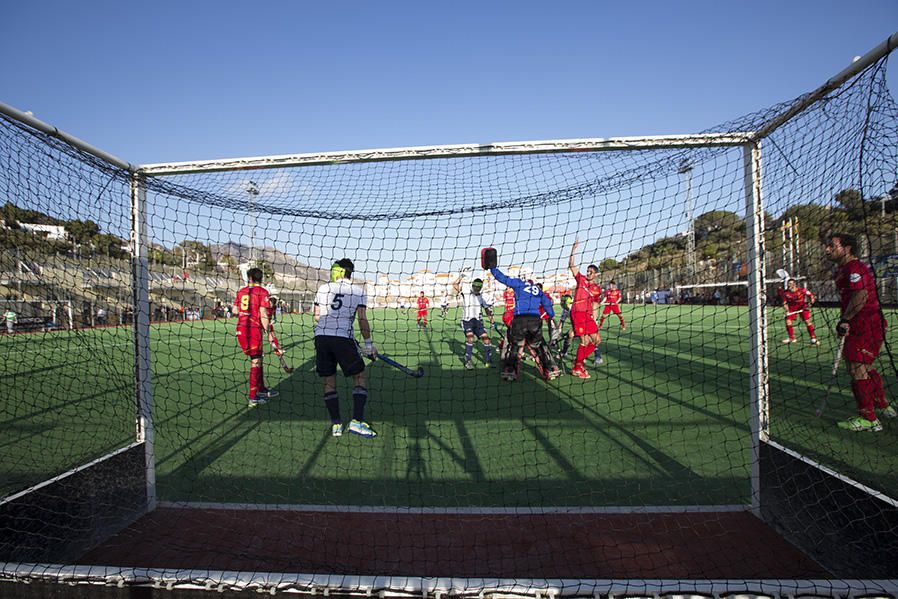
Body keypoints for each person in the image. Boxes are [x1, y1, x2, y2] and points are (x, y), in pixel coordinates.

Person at [825, 233, 895, 432]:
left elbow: (861, 295)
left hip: (865, 323)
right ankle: (882, 405)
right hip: (867, 323)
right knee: (862, 366)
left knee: (857, 369)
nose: (827, 249)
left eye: (832, 245)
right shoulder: (845, 269)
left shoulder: (854, 268)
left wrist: (845, 320)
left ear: (847, 248)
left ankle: (869, 419)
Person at [314, 258, 378, 438]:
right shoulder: (358, 291)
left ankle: (336, 425)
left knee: (329, 381)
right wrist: (368, 345)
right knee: (359, 376)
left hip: (322, 338)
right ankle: (357, 422)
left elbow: (317, 317)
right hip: (342, 339)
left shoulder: (323, 288)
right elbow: (362, 319)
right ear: (351, 272)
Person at [489, 266, 560, 381]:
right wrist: (551, 315)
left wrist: (492, 268)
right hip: (535, 321)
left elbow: (502, 278)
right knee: (539, 345)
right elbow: (547, 304)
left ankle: (510, 371)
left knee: (515, 345)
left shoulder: (518, 284)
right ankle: (549, 369)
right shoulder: (538, 290)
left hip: (520, 320)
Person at [234, 268, 279, 407]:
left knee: (259, 358)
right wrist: (268, 331)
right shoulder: (262, 292)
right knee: (256, 361)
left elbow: (235, 310)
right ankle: (253, 397)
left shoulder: (241, 291)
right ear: (261, 278)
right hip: (252, 330)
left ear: (250, 278)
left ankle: (261, 389)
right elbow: (263, 314)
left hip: (241, 328)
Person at [568, 239, 604, 378]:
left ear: (596, 275)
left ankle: (578, 362)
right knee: (584, 341)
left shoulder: (596, 289)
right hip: (577, 313)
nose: (588, 273)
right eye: (588, 271)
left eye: (591, 272)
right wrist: (573, 250)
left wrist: (595, 318)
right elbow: (571, 265)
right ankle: (578, 367)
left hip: (588, 316)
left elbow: (596, 305)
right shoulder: (581, 279)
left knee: (596, 341)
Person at [452, 274, 494, 370]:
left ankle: (488, 361)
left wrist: (492, 321)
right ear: (473, 286)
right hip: (467, 321)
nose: (477, 289)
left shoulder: (482, 297)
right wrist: (461, 276)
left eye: (479, 287)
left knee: (486, 340)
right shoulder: (466, 292)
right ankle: (468, 361)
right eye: (475, 286)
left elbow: (487, 310)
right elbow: (455, 284)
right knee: (470, 338)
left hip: (478, 322)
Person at [777, 279, 818, 345]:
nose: (789, 285)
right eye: (788, 284)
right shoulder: (785, 293)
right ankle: (792, 338)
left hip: (803, 307)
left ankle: (813, 338)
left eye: (790, 283)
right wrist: (787, 311)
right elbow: (784, 303)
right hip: (792, 307)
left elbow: (811, 296)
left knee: (807, 321)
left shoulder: (802, 290)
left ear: (794, 284)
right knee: (788, 321)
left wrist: (810, 305)